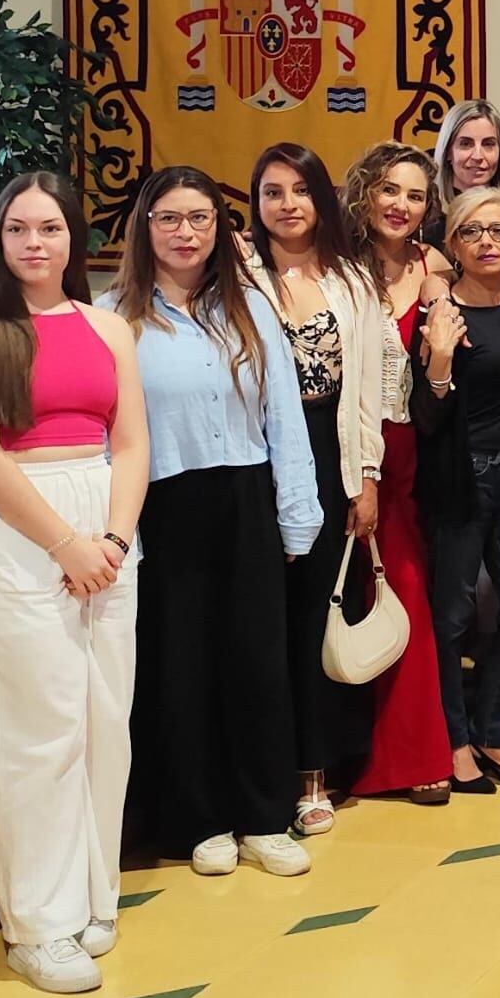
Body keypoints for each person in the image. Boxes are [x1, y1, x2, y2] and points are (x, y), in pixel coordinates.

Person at [0, 173, 148, 993]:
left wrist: (114, 539)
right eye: (18, 229)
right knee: (37, 727)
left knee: (103, 718)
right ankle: (38, 924)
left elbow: (131, 444)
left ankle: (94, 896)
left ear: (73, 237)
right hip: (15, 528)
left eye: (50, 228)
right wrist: (64, 543)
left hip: (106, 524)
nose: (34, 243)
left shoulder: (106, 327)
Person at [104, 166, 321, 877]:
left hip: (244, 500)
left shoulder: (250, 309)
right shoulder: (115, 318)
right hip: (164, 506)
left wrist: (296, 513)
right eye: (169, 218)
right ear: (144, 227)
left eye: (200, 218)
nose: (186, 232)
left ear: (220, 229)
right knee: (182, 667)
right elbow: (111, 438)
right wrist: (119, 530)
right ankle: (200, 821)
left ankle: (265, 816)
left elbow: (283, 415)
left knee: (258, 660)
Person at [247, 143, 384, 835]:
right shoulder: (236, 277)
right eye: (273, 191)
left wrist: (367, 477)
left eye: (301, 190)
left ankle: (313, 774)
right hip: (254, 469)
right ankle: (258, 774)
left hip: (330, 466)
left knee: (313, 620)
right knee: (258, 624)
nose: (288, 204)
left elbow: (367, 388)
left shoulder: (352, 282)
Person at [415, 188, 500, 793]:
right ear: (454, 246)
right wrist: (439, 363)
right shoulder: (443, 317)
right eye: (472, 233)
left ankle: (494, 732)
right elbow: (424, 414)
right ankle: (456, 741)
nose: (488, 243)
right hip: (461, 476)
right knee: (452, 617)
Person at [340, 144, 456, 805]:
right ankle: (340, 758)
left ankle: (411, 757)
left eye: (414, 196)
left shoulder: (430, 264)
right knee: (341, 597)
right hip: (343, 447)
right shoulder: (335, 263)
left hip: (406, 452)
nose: (400, 205)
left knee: (402, 592)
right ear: (364, 192)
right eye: (388, 190)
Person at [434, 97, 500, 212]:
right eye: (466, 144)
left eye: (488, 144)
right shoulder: (428, 218)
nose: (478, 156)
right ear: (447, 152)